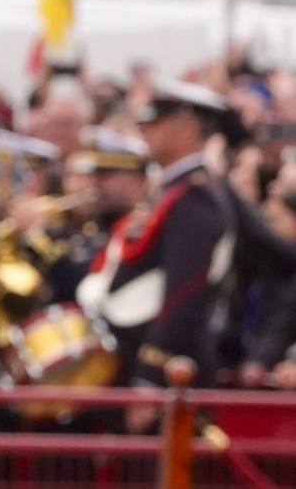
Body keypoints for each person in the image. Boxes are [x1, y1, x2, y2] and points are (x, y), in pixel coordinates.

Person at [77, 80, 236, 430]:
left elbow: (183, 295)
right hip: (136, 360)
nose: (145, 129)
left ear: (188, 128)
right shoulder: (172, 189)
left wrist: (150, 378)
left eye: (157, 122)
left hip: (170, 377)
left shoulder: (196, 198)